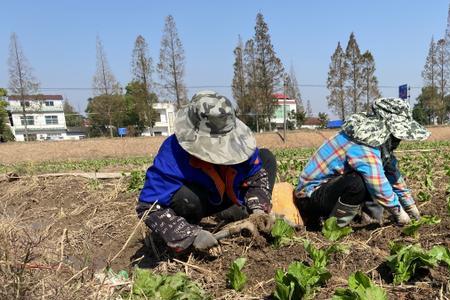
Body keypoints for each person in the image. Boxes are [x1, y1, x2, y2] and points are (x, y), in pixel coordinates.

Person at [136, 91, 277, 253]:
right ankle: (203, 221)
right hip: (199, 202)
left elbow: (256, 176)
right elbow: (149, 206)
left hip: (230, 194)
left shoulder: (241, 144)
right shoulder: (173, 152)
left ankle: (239, 212)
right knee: (185, 198)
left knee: (266, 158)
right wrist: (189, 234)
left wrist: (258, 213)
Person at [295, 98, 430, 228]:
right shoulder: (364, 142)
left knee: (373, 175)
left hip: (329, 190)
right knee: (359, 182)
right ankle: (334, 227)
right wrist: (399, 212)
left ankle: (370, 218)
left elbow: (393, 175)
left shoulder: (380, 145)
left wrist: (411, 208)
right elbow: (377, 183)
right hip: (309, 196)